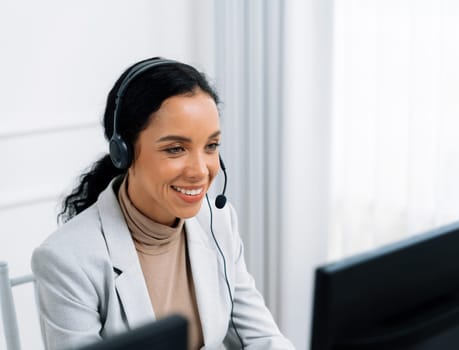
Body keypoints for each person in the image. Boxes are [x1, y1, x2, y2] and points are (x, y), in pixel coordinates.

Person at [31, 57, 295, 350]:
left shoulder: (218, 220)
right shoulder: (67, 260)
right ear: (124, 153)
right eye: (175, 149)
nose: (200, 171)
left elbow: (263, 337)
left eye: (211, 146)